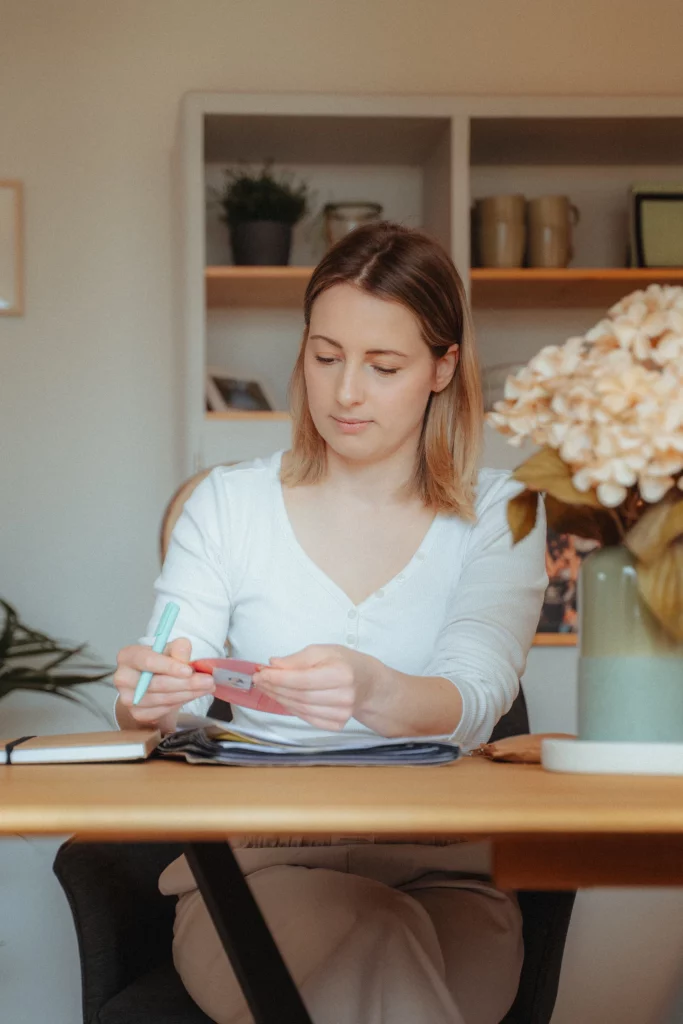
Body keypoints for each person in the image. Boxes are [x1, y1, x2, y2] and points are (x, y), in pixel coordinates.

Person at [113, 221, 548, 1024]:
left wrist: (373, 689)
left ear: (441, 368)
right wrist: (149, 697)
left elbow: (477, 692)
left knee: (382, 946)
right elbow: (169, 689)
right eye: (324, 356)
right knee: (372, 940)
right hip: (257, 873)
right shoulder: (227, 504)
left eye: (383, 366)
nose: (345, 392)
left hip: (446, 876)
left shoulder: (501, 512)